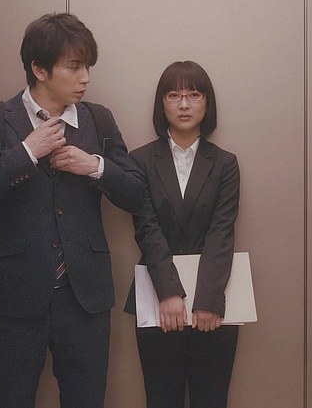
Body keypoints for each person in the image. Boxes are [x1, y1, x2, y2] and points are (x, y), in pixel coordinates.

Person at [0, 12, 145, 408]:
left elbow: (138, 195)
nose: (85, 77)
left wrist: (96, 166)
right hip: (16, 298)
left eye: (88, 66)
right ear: (39, 69)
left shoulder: (99, 120)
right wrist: (26, 152)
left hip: (85, 299)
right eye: (74, 66)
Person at [124, 61, 241, 408]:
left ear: (207, 103)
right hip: (158, 298)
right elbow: (147, 229)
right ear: (162, 103)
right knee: (161, 399)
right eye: (174, 95)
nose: (185, 104)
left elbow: (222, 232)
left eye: (194, 95)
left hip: (214, 302)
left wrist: (207, 300)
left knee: (211, 400)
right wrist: (169, 292)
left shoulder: (225, 163)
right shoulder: (140, 161)